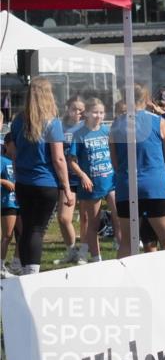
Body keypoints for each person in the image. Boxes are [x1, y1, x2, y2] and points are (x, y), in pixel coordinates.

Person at [7, 78, 75, 275]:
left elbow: (15, 153)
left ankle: (25, 267)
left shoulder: (18, 120)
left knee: (27, 227)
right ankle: (32, 272)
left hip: (23, 182)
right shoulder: (53, 123)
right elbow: (59, 159)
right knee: (38, 229)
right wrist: (67, 188)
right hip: (45, 182)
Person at [110, 84, 165, 257]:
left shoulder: (116, 124)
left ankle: (124, 280)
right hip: (156, 186)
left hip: (127, 186)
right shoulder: (159, 121)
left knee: (127, 242)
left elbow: (114, 161)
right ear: (147, 100)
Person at [68, 98, 117, 263]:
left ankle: (121, 247)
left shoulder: (106, 131)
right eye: (95, 112)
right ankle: (96, 258)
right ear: (87, 113)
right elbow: (72, 161)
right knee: (93, 223)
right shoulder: (79, 134)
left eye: (101, 112)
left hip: (110, 181)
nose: (98, 116)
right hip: (91, 185)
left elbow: (115, 154)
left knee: (119, 215)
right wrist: (83, 175)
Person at [55, 97, 85, 264]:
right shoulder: (59, 126)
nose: (79, 113)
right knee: (64, 218)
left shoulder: (87, 127)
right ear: (67, 108)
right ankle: (72, 251)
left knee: (87, 218)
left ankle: (87, 251)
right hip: (67, 179)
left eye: (81, 110)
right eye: (75, 109)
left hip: (85, 178)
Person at [1, 114, 18, 274]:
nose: (16, 148)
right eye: (14, 145)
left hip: (22, 202)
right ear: (6, 145)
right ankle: (0, 263)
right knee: (7, 235)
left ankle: (16, 263)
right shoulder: (2, 160)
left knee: (22, 235)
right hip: (8, 203)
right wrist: (5, 182)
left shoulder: (21, 159)